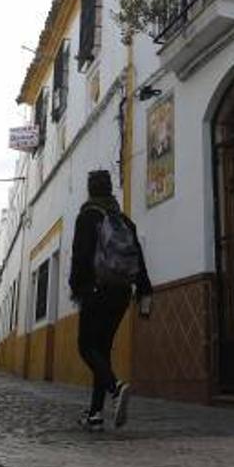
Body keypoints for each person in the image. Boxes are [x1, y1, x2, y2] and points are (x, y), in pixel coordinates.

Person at [70, 168, 152, 430]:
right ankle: (95, 416)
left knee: (86, 346)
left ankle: (116, 388)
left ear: (90, 190)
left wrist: (78, 286)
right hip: (121, 293)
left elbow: (81, 255)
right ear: (109, 189)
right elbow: (138, 256)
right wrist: (144, 289)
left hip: (96, 290)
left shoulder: (87, 216)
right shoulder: (124, 220)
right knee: (102, 351)